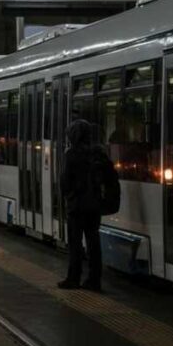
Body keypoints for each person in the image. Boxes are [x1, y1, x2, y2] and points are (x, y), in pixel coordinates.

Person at [58, 119, 103, 292]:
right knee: (93, 243)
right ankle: (94, 280)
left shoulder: (71, 154)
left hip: (77, 206)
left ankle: (73, 278)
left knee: (75, 244)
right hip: (94, 206)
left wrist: (68, 195)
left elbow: (65, 180)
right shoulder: (97, 152)